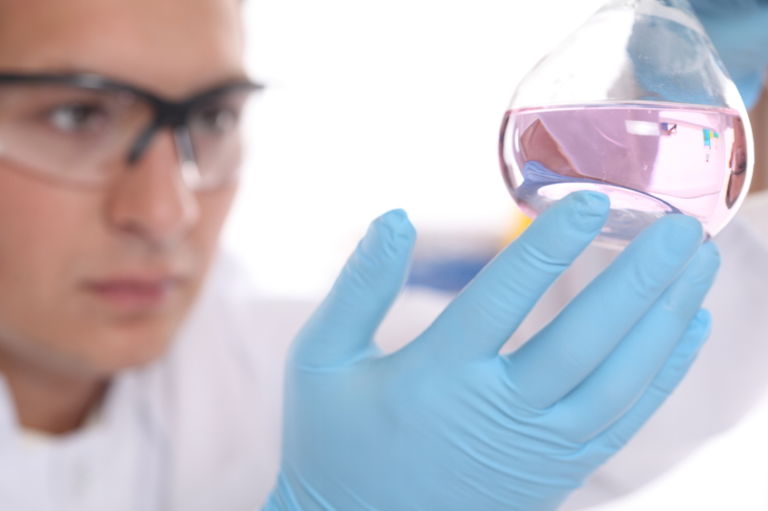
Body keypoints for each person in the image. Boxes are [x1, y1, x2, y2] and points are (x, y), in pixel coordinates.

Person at [0, 1, 750, 511]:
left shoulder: (268, 365)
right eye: (75, 115)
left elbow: (590, 387)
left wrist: (714, 73)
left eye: (212, 118)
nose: (167, 212)